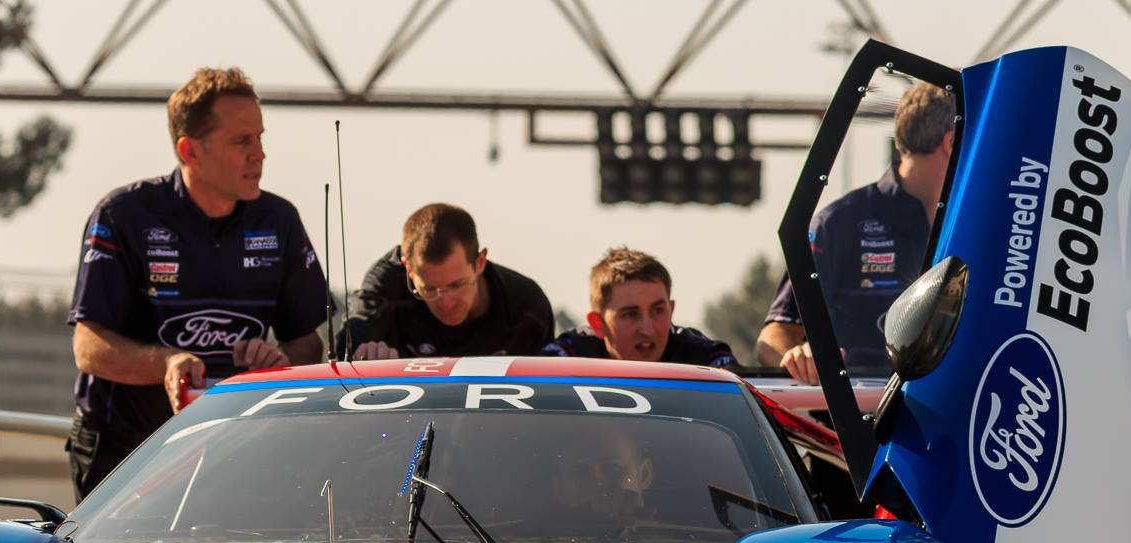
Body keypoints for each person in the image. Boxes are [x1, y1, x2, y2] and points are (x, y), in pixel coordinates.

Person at [67, 67, 327, 499]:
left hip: (236, 447)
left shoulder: (279, 220)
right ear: (190, 151)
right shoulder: (123, 215)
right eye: (242, 141)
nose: (259, 154)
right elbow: (88, 349)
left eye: (261, 137)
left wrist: (277, 357)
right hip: (128, 449)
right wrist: (166, 364)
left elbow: (309, 345)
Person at [754, 81, 957, 381]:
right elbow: (775, 334)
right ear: (951, 142)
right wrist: (796, 355)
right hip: (858, 422)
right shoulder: (838, 224)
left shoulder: (983, 222)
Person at [343, 203, 553, 359]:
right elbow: (348, 345)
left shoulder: (526, 308)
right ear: (408, 269)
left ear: (480, 263)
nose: (445, 302)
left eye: (457, 285)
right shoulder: (387, 287)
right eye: (429, 289)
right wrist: (363, 355)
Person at [542, 248, 734, 367]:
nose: (647, 330)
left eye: (658, 311)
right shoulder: (569, 356)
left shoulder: (702, 358)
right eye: (630, 314)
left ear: (671, 310)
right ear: (597, 323)